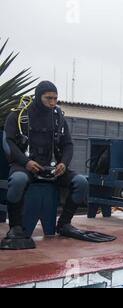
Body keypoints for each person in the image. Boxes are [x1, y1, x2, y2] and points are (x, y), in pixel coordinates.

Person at [1, 81, 115, 250]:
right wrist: (26, 163)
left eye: (55, 98)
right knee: (17, 181)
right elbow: (9, 143)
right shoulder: (18, 116)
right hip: (25, 167)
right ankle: (16, 227)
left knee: (81, 183)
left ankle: (64, 224)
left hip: (52, 167)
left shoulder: (58, 117)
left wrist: (63, 163)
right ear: (38, 96)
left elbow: (68, 144)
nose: (53, 102)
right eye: (48, 98)